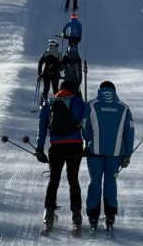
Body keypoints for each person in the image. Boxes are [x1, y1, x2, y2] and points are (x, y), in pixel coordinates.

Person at [81, 80, 134, 232]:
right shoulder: (124, 108)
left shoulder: (91, 105)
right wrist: (127, 155)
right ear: (114, 91)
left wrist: (88, 140)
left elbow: (84, 129)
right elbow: (129, 133)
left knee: (95, 182)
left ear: (99, 90)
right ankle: (110, 217)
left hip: (95, 153)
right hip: (116, 154)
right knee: (111, 182)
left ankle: (93, 217)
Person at [36, 82, 86, 234]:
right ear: (72, 91)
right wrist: (88, 144)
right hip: (75, 145)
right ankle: (76, 217)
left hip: (56, 146)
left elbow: (42, 126)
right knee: (73, 180)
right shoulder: (78, 103)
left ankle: (48, 217)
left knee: (54, 181)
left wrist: (39, 148)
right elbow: (86, 125)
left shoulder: (49, 104)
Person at [37, 39, 61, 105]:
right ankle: (57, 104)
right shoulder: (59, 54)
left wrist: (39, 72)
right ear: (56, 45)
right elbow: (61, 64)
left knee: (46, 89)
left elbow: (40, 62)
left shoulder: (45, 53)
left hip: (46, 73)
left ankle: (43, 103)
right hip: (55, 74)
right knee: (55, 90)